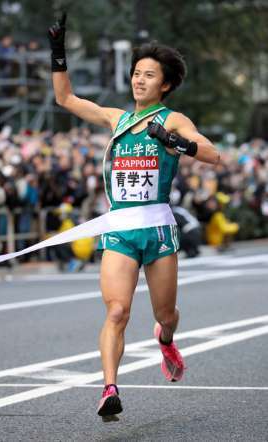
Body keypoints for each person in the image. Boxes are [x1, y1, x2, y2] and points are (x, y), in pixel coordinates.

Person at [48, 13, 220, 421]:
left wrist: (176, 141)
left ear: (166, 84)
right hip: (121, 228)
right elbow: (66, 100)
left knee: (166, 314)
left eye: (148, 75)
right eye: (136, 74)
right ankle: (109, 388)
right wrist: (58, 54)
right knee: (116, 311)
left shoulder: (172, 119)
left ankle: (167, 339)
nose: (139, 80)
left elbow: (212, 154)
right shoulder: (117, 119)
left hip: (158, 229)